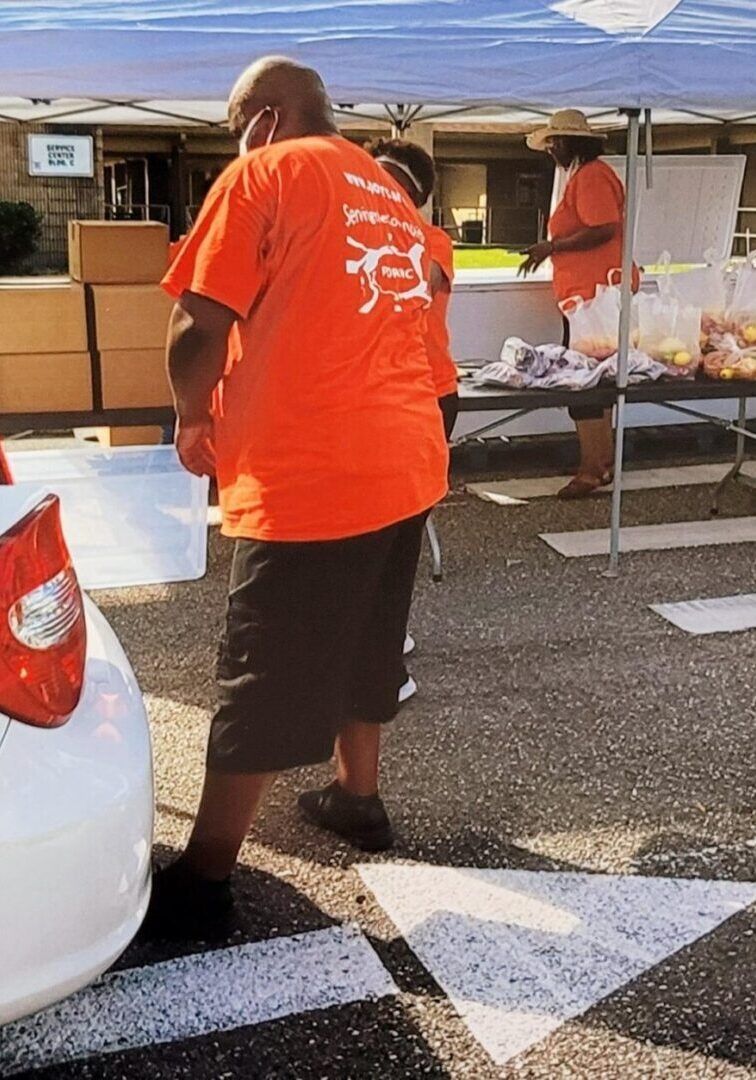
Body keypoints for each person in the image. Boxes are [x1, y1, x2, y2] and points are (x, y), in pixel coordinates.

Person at [149, 56, 448, 932]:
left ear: (267, 117)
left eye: (235, 126)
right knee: (369, 639)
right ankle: (358, 798)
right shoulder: (387, 193)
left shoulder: (265, 172)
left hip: (315, 464)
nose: (234, 142)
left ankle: (204, 879)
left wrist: (190, 416)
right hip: (406, 455)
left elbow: (195, 322)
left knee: (262, 669)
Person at [368, 138, 458, 702]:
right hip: (376, 400)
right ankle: (379, 640)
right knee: (372, 532)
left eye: (390, 184)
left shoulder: (432, 240)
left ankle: (385, 654)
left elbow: (418, 283)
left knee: (396, 533)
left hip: (427, 395)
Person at [519, 109, 639, 499]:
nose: (550, 149)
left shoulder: (591, 176)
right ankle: (602, 463)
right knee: (599, 382)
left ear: (571, 143)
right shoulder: (588, 174)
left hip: (594, 300)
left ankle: (592, 469)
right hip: (593, 297)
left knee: (583, 383)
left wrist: (551, 246)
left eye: (554, 141)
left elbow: (603, 228)